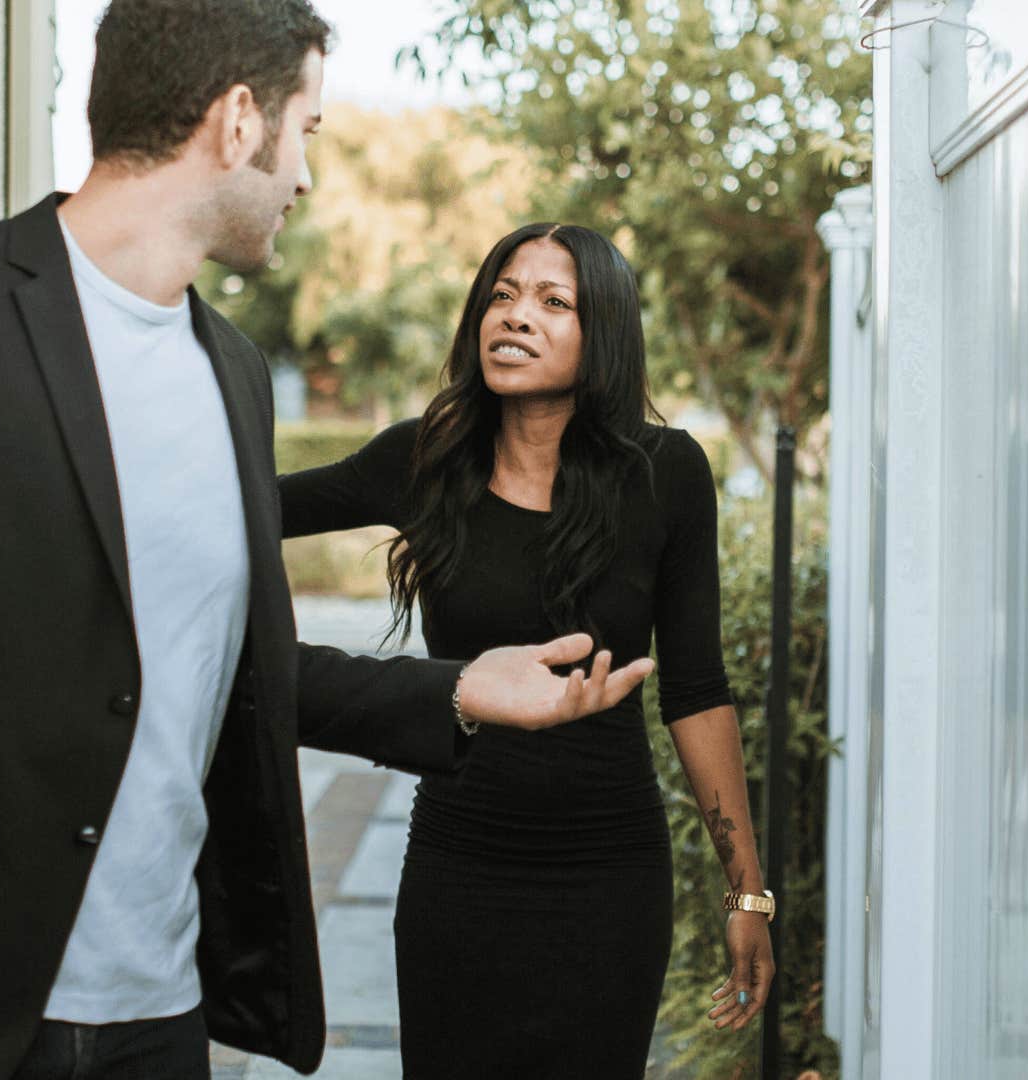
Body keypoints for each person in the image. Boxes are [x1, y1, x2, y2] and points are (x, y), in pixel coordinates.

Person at [0, 4, 654, 1079]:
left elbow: (233, 673)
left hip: (156, 1013)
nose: (307, 178)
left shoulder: (234, 373)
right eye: (308, 135)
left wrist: (460, 691)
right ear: (240, 123)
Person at [278, 223, 777, 1078]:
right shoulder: (423, 458)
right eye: (502, 296)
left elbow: (695, 689)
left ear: (605, 332)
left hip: (609, 875)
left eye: (554, 301)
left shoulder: (668, 474)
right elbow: (245, 506)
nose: (516, 317)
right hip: (457, 867)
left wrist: (746, 891)